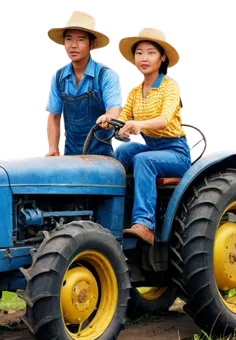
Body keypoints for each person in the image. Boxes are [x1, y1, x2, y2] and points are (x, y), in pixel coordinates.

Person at [97, 25, 193, 245]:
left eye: (151, 52)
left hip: (174, 151)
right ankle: (113, 215)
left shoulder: (169, 86)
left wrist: (138, 125)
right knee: (121, 150)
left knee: (143, 160)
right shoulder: (134, 89)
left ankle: (145, 223)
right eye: (139, 53)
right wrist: (108, 120)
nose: (144, 58)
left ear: (162, 58)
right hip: (149, 145)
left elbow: (165, 120)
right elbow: (122, 118)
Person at [44, 8, 123, 157]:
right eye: (68, 39)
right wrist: (53, 149)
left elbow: (114, 109)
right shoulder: (59, 77)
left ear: (92, 45)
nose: (73, 45)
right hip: (70, 155)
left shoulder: (106, 76)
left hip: (102, 155)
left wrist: (108, 117)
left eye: (80, 39)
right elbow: (54, 116)